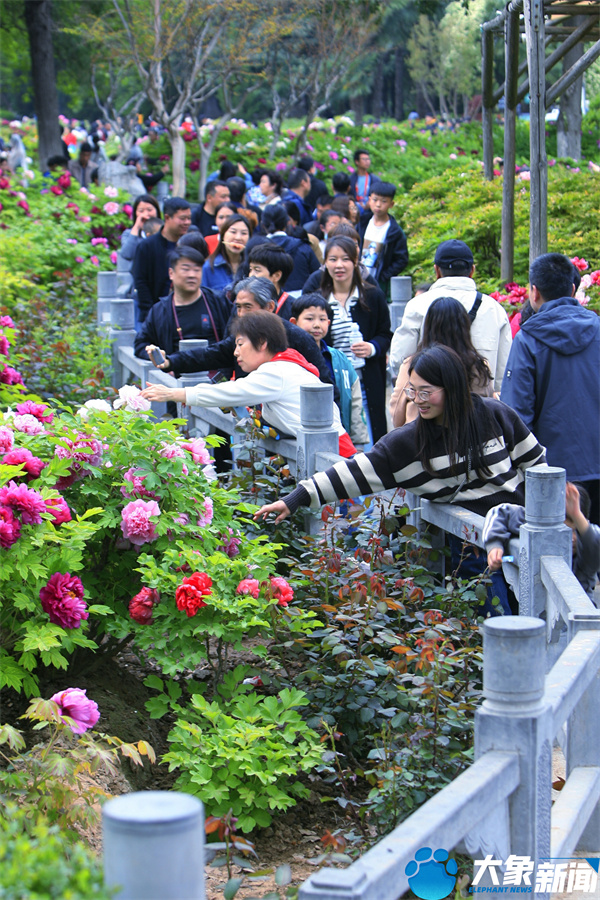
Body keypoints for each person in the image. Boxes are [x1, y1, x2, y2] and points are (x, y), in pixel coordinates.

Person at [255, 344, 546, 613]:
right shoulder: (408, 444)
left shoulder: (494, 415)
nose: (417, 400)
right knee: (503, 624)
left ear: (453, 387)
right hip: (473, 549)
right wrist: (294, 499)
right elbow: (354, 472)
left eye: (426, 392)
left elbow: (537, 466)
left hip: (521, 530)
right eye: (412, 390)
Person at [141, 312, 355, 457]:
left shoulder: (276, 372)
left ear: (262, 343)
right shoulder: (287, 365)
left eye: (240, 344)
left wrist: (172, 393)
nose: (236, 352)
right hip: (329, 451)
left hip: (333, 455)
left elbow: (230, 391)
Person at [500, 252, 600, 524]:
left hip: (551, 473)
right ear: (573, 289)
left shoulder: (527, 340)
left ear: (534, 292)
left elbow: (516, 418)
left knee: (556, 547)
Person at [147, 276, 334, 392]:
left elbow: (325, 383)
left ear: (269, 307)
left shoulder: (297, 337)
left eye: (248, 307)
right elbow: (211, 354)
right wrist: (170, 361)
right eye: (238, 307)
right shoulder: (242, 337)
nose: (241, 314)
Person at [390, 239, 512, 389]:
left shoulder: (417, 305)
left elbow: (400, 359)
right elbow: (505, 368)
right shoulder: (495, 309)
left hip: (429, 400)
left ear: (437, 270)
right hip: (480, 400)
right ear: (472, 270)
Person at [317, 236, 392, 443]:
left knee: (369, 437)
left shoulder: (372, 296)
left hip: (364, 379)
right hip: (332, 380)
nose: (339, 265)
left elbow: (385, 334)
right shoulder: (319, 300)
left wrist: (372, 347)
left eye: (345, 259)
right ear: (325, 263)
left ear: (355, 262)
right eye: (333, 259)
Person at [484, 483, 599, 604]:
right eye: (564, 532)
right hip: (535, 605)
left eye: (575, 531)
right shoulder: (538, 525)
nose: (572, 539)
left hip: (576, 611)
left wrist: (576, 515)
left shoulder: (586, 550)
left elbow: (595, 545)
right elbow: (500, 513)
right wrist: (494, 545)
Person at [390, 296, 493, 428]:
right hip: (467, 435)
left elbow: (396, 416)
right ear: (465, 327)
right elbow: (486, 408)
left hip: (420, 436)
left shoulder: (412, 365)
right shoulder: (478, 367)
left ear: (427, 327)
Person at [291, 294, 368, 446]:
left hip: (339, 434)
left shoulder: (339, 358)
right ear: (293, 322)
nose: (317, 325)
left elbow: (355, 401)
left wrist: (358, 442)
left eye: (322, 319)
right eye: (309, 319)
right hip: (299, 437)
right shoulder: (289, 357)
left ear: (329, 323)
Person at [131, 197, 192, 324]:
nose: (187, 222)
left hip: (187, 313)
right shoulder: (147, 246)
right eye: (182, 218)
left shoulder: (190, 244)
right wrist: (151, 314)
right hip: (155, 315)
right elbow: (140, 281)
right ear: (167, 217)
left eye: (189, 218)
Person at [357, 182, 408, 297]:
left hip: (378, 284)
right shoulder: (362, 223)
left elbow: (402, 259)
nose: (378, 205)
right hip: (357, 281)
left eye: (384, 201)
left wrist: (384, 276)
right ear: (369, 200)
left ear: (391, 204)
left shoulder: (394, 231)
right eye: (375, 200)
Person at [258, 205, 320, 296]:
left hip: (264, 298)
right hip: (302, 298)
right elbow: (318, 275)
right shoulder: (302, 246)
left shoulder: (256, 249)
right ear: (287, 223)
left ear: (263, 224)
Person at [202, 214, 252, 294]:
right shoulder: (208, 268)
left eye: (244, 233)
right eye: (233, 232)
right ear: (223, 235)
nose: (238, 238)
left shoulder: (252, 268)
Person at [247, 242, 295, 319]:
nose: (251, 275)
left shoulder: (293, 308)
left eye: (257, 270)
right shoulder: (244, 301)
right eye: (250, 269)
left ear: (276, 276)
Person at [121, 194, 162, 261]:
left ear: (157, 211)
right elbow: (127, 254)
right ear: (135, 213)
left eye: (149, 210)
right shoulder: (128, 234)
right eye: (141, 211)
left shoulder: (165, 232)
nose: (145, 214)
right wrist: (136, 227)